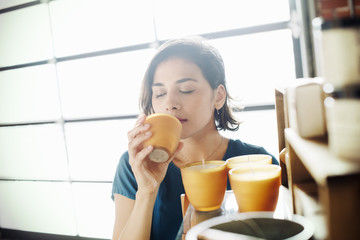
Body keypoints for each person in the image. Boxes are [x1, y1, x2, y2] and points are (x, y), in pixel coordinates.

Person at [111, 37, 279, 240]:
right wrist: (147, 191)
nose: (170, 103)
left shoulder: (257, 161)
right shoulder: (135, 165)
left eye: (186, 90)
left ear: (218, 96)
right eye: (160, 93)